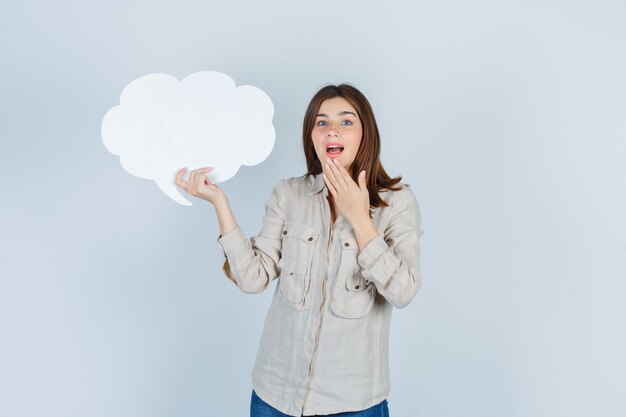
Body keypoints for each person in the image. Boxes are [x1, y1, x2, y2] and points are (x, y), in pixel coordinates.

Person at [175, 84, 423, 417]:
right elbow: (252, 278)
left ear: (366, 134)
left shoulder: (397, 202)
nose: (332, 129)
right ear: (311, 137)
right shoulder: (288, 195)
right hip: (274, 397)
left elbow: (403, 291)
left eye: (346, 121)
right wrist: (219, 202)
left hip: (354, 404)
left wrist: (360, 218)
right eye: (321, 122)